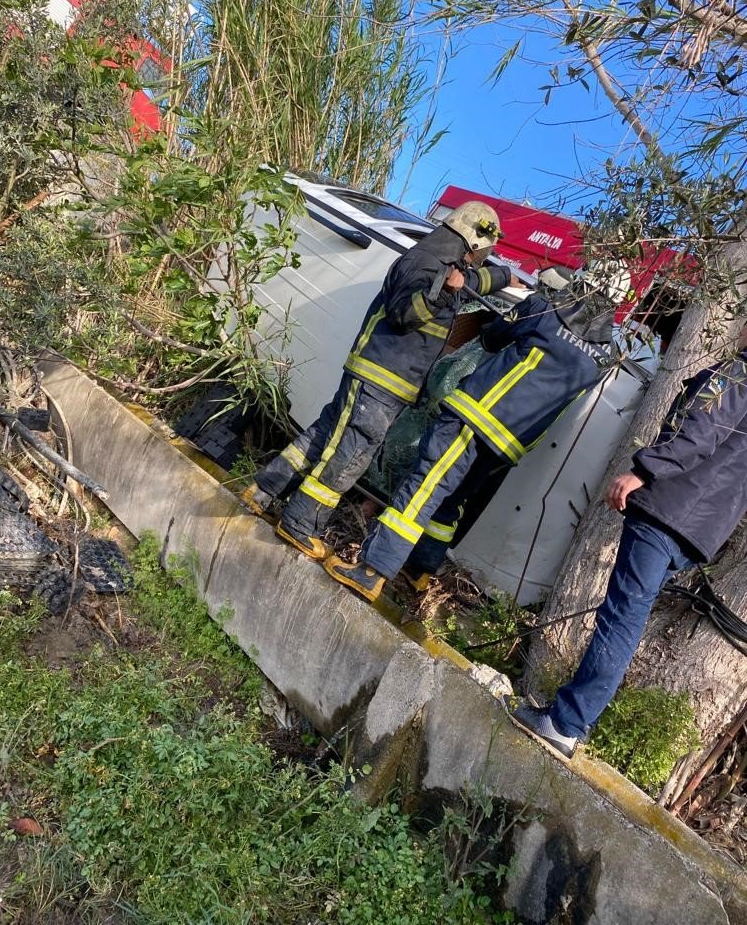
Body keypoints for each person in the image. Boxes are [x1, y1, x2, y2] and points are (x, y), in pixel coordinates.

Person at [324, 262, 631, 599]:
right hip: (510, 445)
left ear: (584, 283)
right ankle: (419, 572)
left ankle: (372, 570)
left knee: (422, 489)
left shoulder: (544, 310)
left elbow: (492, 336)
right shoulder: (606, 355)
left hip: (475, 416)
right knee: (451, 502)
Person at [508, 340, 747, 759]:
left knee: (622, 616)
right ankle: (569, 719)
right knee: (627, 614)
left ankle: (566, 724)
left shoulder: (737, 374)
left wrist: (643, 470)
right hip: (702, 529)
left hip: (669, 509)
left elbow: (698, 433)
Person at [240, 202, 517, 559]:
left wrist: (504, 277)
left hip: (378, 378)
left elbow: (469, 283)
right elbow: (404, 314)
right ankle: (300, 522)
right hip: (380, 381)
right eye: (483, 252)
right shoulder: (426, 264)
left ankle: (263, 490)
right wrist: (446, 293)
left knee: (324, 436)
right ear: (473, 242)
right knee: (350, 453)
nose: (480, 260)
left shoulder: (444, 266)